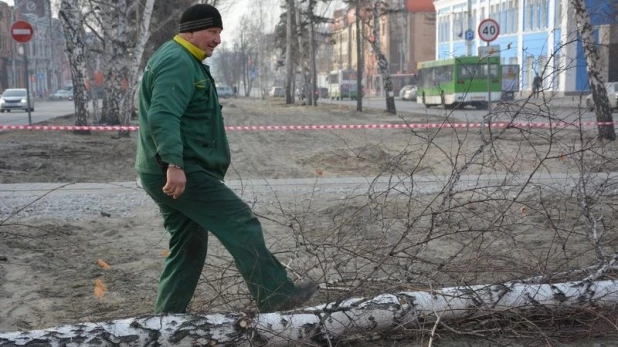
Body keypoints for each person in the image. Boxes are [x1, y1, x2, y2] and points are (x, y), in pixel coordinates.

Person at [135, 4, 317, 314]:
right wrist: (174, 165)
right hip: (179, 170)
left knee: (189, 243)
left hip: (166, 168)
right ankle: (276, 295)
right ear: (189, 31)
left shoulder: (185, 59)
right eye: (212, 31)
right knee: (239, 221)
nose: (217, 39)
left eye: (220, 32)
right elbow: (162, 115)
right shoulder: (177, 62)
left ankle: (165, 319)